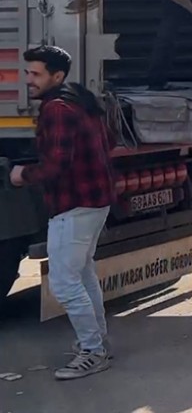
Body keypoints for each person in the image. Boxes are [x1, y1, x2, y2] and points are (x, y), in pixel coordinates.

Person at [10, 46, 118, 380]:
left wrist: (21, 175)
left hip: (73, 205)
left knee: (64, 283)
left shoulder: (56, 109)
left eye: (36, 74)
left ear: (56, 76)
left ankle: (93, 351)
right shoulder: (82, 100)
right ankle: (97, 342)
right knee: (83, 274)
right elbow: (111, 141)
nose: (28, 79)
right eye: (27, 72)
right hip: (95, 201)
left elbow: (56, 165)